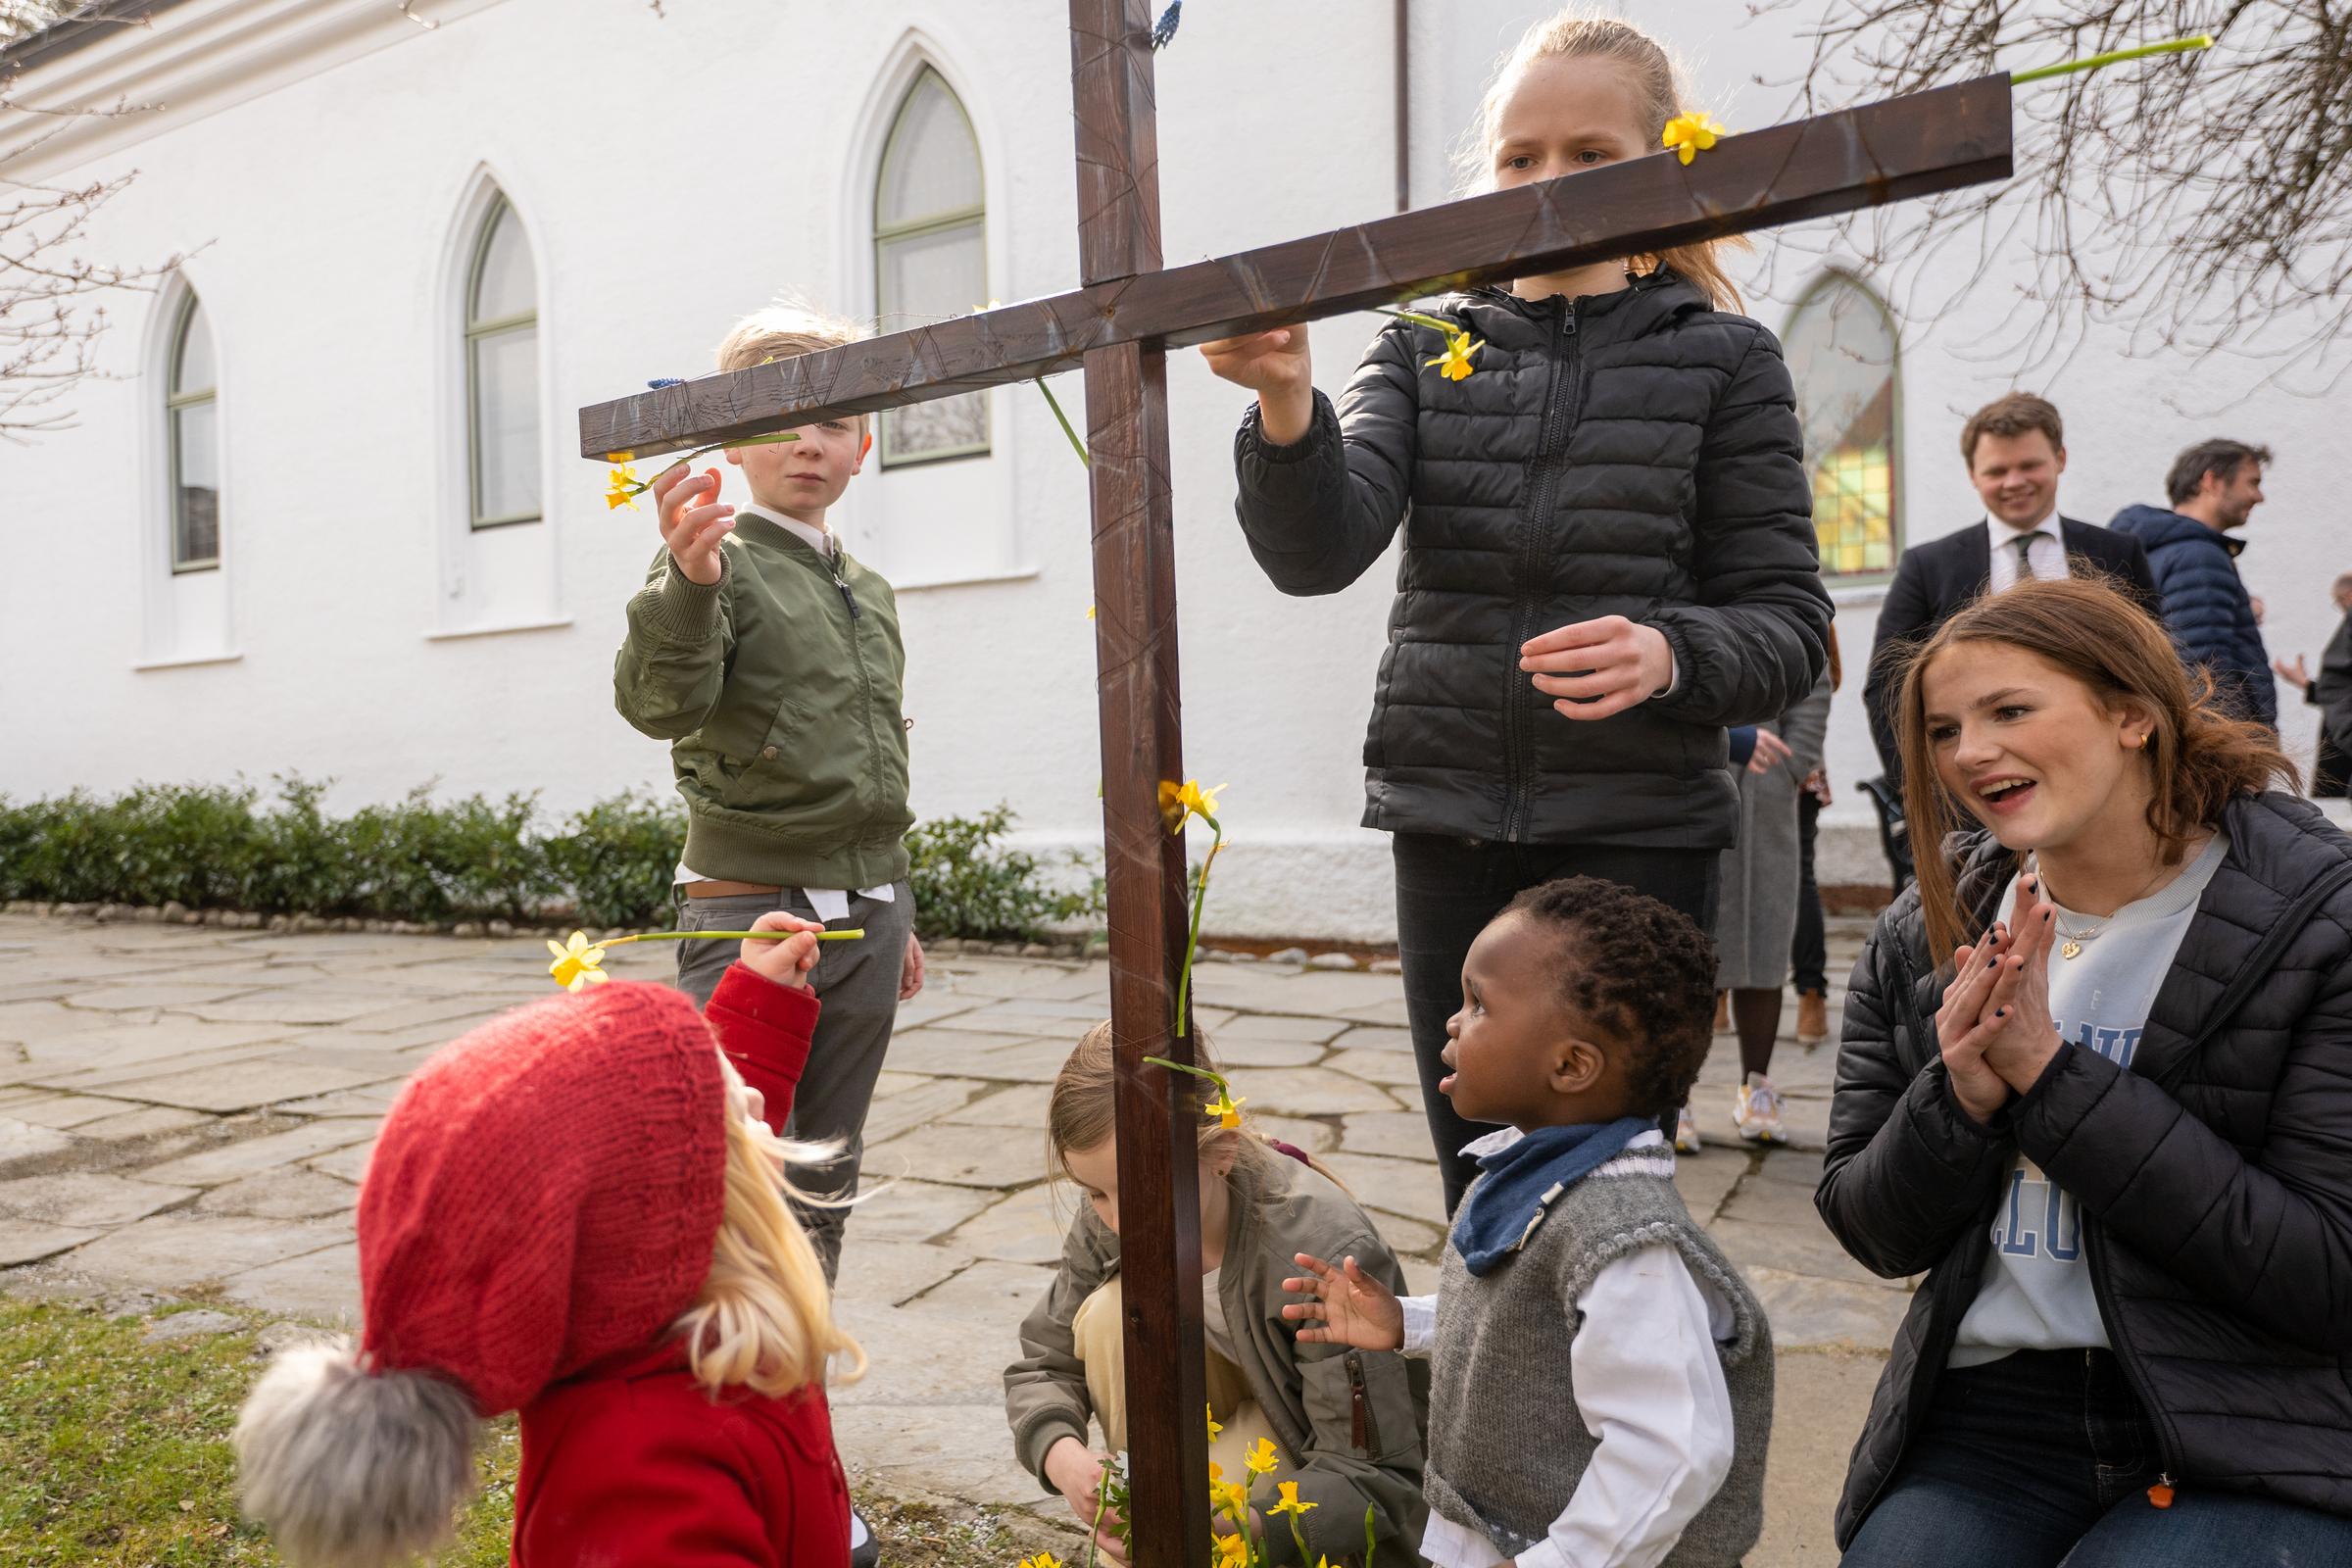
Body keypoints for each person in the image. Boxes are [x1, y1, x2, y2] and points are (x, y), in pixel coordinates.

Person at [1203, 10, 1832, 1213]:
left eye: (1591, 154)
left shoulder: (1725, 360)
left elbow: (1790, 625)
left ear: (1662, 167)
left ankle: (1613, 1397)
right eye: (1520, 157)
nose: (1548, 182)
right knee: (1476, 1175)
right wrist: (1288, 400)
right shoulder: (1426, 345)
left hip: (1635, 827)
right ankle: (1488, 1394)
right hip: (1449, 819)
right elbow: (1320, 552)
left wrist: (1669, 652)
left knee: (1607, 1187)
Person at [1817, 576, 2352, 1566]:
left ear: (2133, 716)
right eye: (1942, 730)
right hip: (1994, 1421)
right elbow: (1869, 1225)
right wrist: (1963, 1097)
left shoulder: (2322, 922)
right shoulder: (1924, 931)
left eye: (2010, 710)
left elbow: (2330, 1270)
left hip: (2255, 1420)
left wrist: (2052, 1079)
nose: (1969, 752)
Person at [234, 913, 867, 1567]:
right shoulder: (638, 1479)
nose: (762, 1110)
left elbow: (668, 1152)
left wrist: (763, 999)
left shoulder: (677, 1312)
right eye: (735, 1112)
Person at [1284, 876, 1774, 1568]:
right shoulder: (1535, 1170)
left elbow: (1674, 1447)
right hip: (1507, 1532)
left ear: (1571, 1065)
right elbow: (1528, 1327)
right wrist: (1410, 1320)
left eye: (1478, 1004)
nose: (1453, 1022)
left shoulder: (1623, 1241)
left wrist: (1563, 1559)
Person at [613, 304, 923, 1283]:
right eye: (781, 420)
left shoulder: (866, 587)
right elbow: (660, 703)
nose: (808, 443)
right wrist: (687, 580)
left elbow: (868, 754)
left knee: (826, 1174)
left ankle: (800, 1400)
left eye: (833, 423)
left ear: (863, 447)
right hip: (753, 910)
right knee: (736, 1177)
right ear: (734, 443)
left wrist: (889, 894)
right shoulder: (718, 562)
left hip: (869, 916)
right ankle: (720, 1406)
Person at [1004, 1028, 1427, 1567]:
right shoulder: (1109, 1220)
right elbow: (1042, 1362)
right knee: (1111, 1312)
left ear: (1220, 1150)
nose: (1115, 1218)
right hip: (1202, 1419)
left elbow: (1373, 1473)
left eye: (1138, 1190)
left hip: (1301, 1456)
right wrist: (1063, 1457)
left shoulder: (1321, 1251)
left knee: (1202, 1511)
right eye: (1095, 1192)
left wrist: (1231, 1531)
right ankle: (1149, 1496)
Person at [1863, 392, 2157, 785]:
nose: (2014, 482)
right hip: (1977, 795)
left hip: (2105, 783)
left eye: (2029, 465)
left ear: (2060, 459)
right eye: (1997, 471)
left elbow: (2153, 666)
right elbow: (1887, 687)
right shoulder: (1927, 567)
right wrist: (1923, 794)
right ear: (1973, 476)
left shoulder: (2117, 552)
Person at [1696, 662, 1832, 1152]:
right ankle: (1676, 1097)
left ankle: (1757, 1087)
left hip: (1767, 791)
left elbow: (1813, 679)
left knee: (1766, 937)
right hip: (1689, 782)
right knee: (1689, 951)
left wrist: (1794, 764)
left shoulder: (1780, 591)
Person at [2110, 438, 2278, 729]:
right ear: (2211, 481)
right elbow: (2204, 670)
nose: (2259, 496)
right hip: (2219, 743)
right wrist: (2229, 752)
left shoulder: (2160, 549)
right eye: (2251, 483)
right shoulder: (2198, 556)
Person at [1790, 627, 1845, 1046]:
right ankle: (1720, 992)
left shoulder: (1798, 603)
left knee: (1798, 880)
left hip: (1793, 769)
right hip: (1746, 765)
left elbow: (1827, 681)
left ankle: (1812, 996)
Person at [2273, 569, 2352, 797]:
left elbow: (2340, 691)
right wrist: (2307, 685)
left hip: (2341, 751)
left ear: (2349, 596)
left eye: (2338, 602)